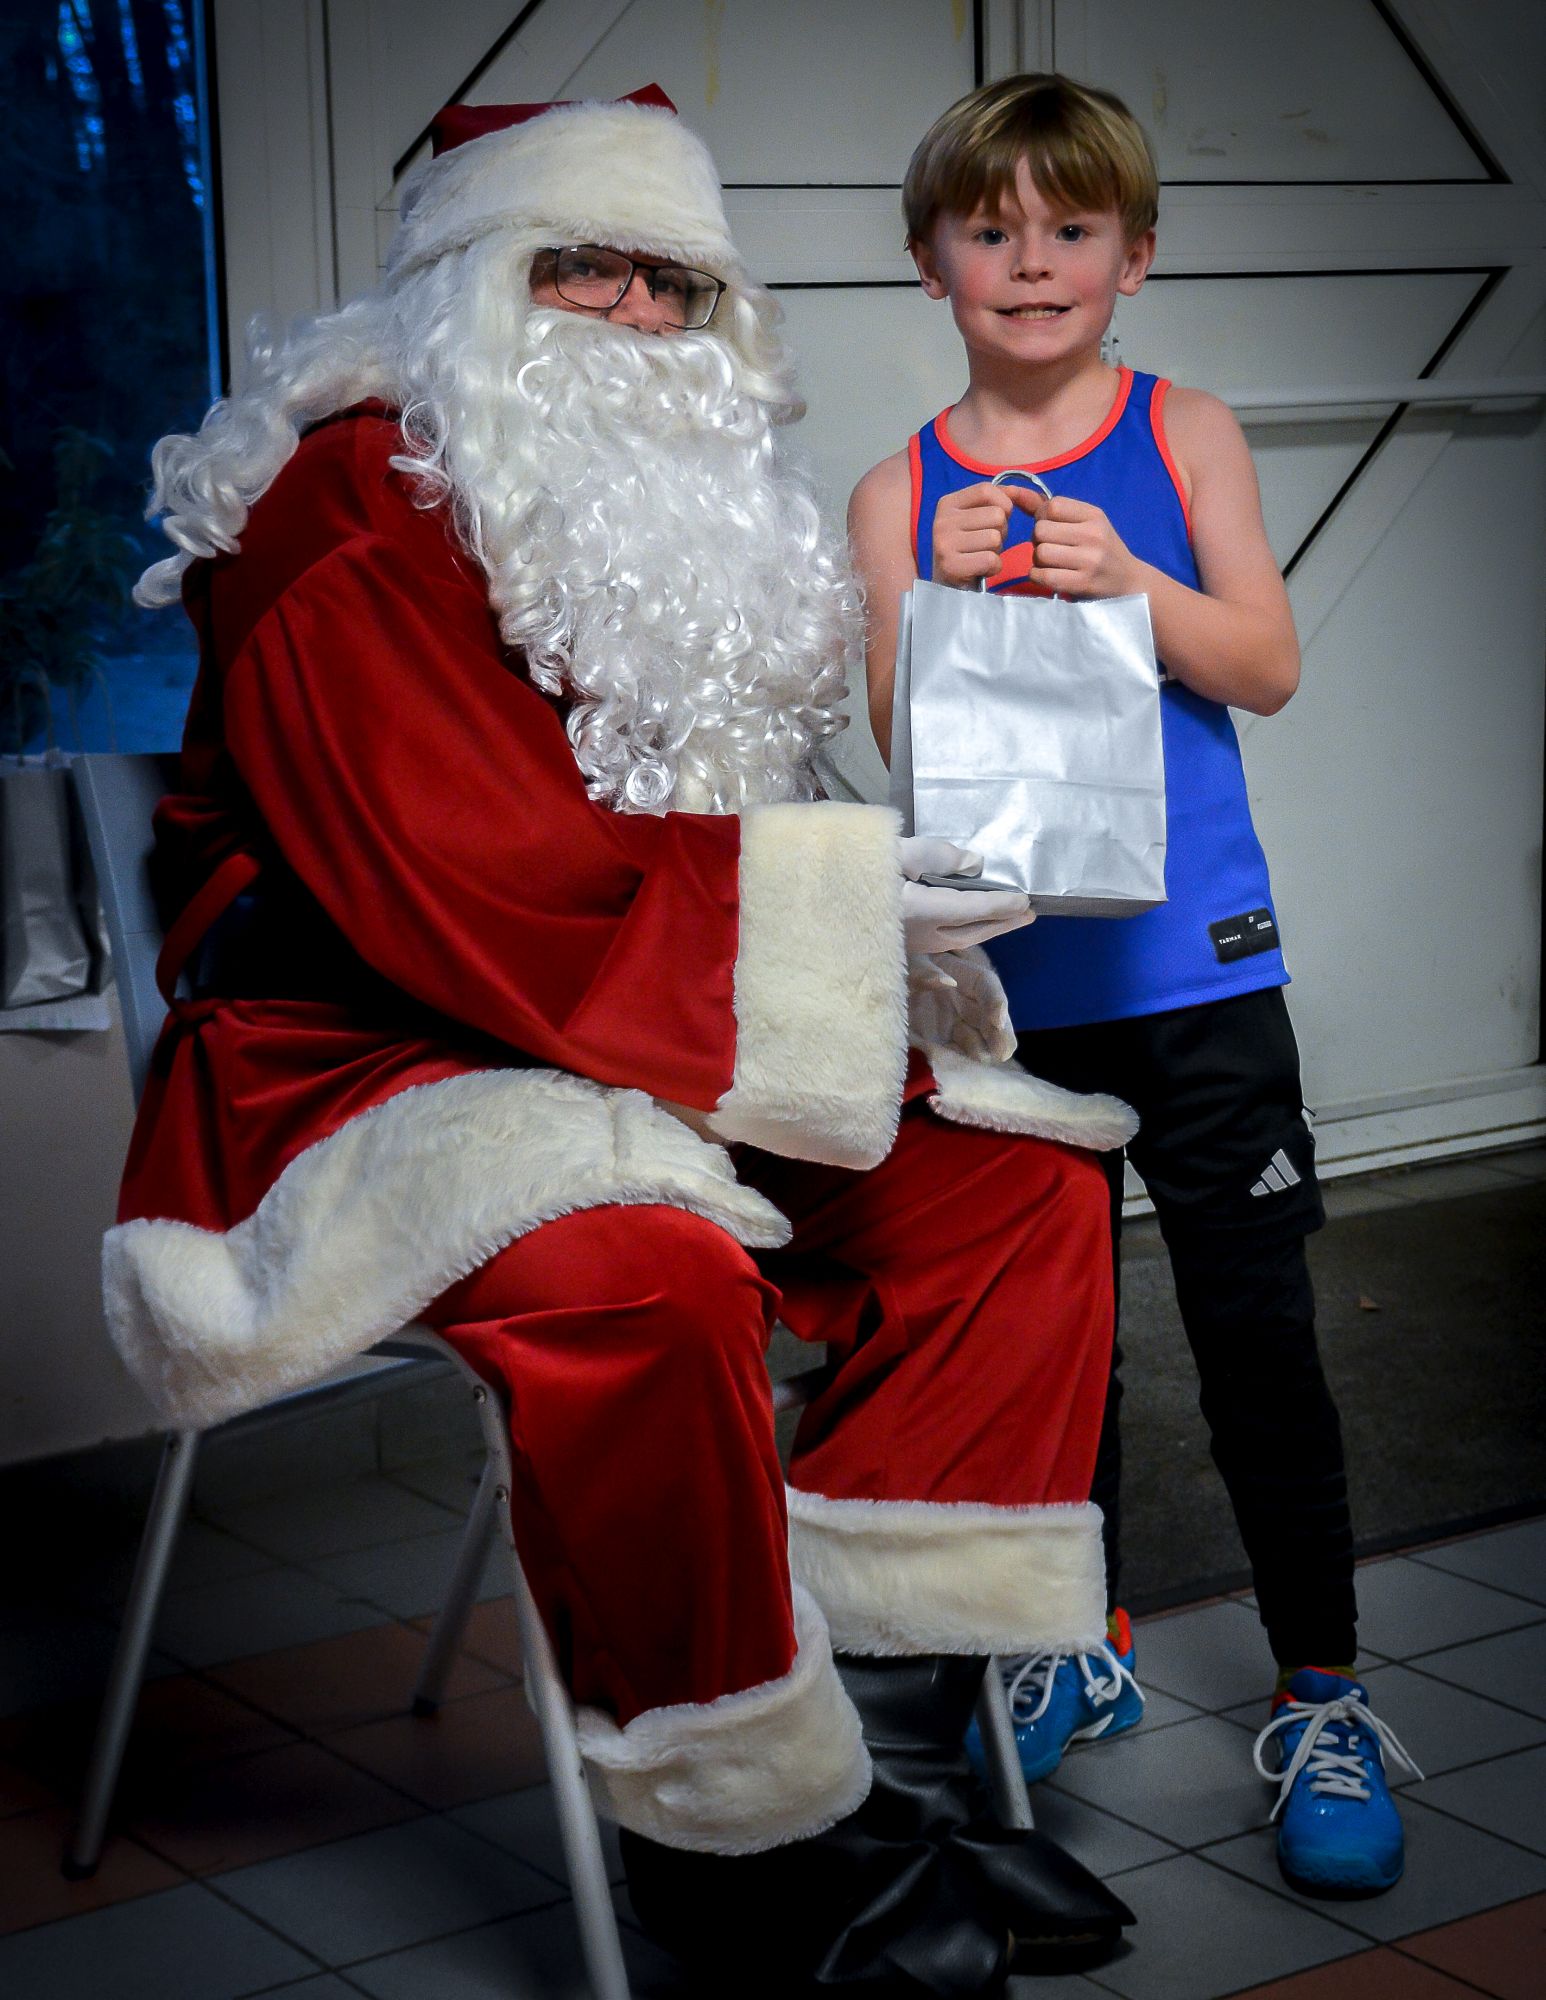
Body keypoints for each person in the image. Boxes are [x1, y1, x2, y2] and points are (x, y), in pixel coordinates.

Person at [110, 87, 1143, 1994]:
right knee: (640, 1275)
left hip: (638, 1012)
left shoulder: (669, 509)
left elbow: (680, 833)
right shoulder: (343, 501)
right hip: (369, 1051)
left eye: (676, 282)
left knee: (1016, 1194)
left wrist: (869, 889)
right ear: (461, 281)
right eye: (581, 268)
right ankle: (734, 1841)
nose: (638, 317)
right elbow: (455, 868)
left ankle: (888, 1783)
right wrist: (827, 908)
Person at [849, 71, 1420, 1899]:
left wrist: (1127, 582)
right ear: (929, 261)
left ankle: (1322, 1696)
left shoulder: (1184, 432)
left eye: (1071, 230)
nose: (1032, 264)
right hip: (1007, 998)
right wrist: (941, 604)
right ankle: (1076, 1646)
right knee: (1050, 1348)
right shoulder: (894, 490)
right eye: (990, 230)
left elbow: (1263, 665)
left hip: (1197, 978)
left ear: (1134, 257)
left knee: (1256, 1342)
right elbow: (898, 756)